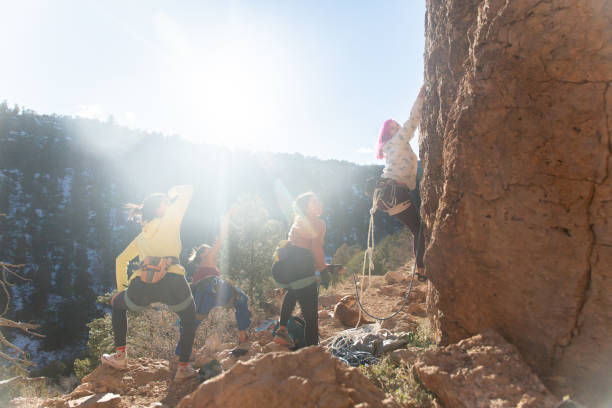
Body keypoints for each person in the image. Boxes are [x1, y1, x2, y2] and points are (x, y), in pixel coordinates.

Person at [101, 185, 198, 382]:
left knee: (118, 306)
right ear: (158, 208)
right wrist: (172, 192)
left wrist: (121, 290)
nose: (169, 205)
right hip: (173, 283)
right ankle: (183, 367)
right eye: (165, 203)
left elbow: (120, 260)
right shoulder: (170, 219)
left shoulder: (142, 235)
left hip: (142, 287)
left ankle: (120, 356)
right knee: (189, 317)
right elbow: (188, 191)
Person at [173, 213, 251, 358]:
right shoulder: (208, 258)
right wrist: (226, 221)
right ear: (202, 254)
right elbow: (220, 240)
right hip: (212, 287)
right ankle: (243, 338)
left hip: (202, 295)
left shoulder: (201, 266)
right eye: (208, 249)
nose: (212, 251)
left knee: (192, 322)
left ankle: (180, 355)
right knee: (241, 299)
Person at [272, 192, 343, 347]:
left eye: (318, 200)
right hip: (302, 270)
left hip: (286, 269)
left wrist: (327, 268)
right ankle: (313, 352)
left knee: (293, 291)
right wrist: (324, 272)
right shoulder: (317, 222)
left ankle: (282, 330)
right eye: (314, 201)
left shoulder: (298, 220)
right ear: (306, 207)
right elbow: (316, 249)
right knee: (311, 317)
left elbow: (305, 252)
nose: (319, 203)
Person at [374, 85, 426, 280]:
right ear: (388, 134)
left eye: (397, 126)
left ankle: (420, 269)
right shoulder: (397, 141)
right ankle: (420, 271)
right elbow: (412, 121)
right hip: (395, 191)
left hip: (390, 193)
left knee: (417, 229)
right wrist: (420, 98)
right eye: (393, 128)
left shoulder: (391, 146)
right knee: (419, 229)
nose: (398, 129)